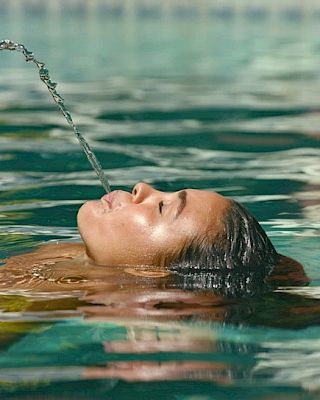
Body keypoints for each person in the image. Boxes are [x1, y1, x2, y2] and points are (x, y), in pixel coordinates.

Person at [77, 182, 309, 296]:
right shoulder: (65, 259)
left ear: (152, 273)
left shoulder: (58, 300)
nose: (141, 188)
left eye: (161, 207)